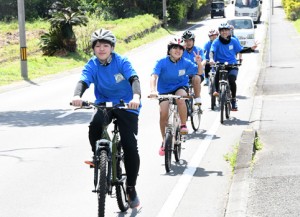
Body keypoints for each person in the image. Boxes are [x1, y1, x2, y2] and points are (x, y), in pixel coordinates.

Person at [71, 28, 141, 208]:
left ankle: (131, 187)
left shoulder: (121, 61)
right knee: (94, 124)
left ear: (112, 47)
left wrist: (135, 97)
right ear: (93, 48)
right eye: (97, 46)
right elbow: (83, 80)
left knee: (129, 145)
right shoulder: (92, 64)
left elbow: (133, 78)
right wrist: (77, 96)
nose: (101, 49)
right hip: (103, 103)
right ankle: (99, 158)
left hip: (126, 104)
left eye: (105, 45)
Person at [149, 36, 203, 156]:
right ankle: (164, 141)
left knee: (181, 98)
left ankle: (183, 125)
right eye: (174, 48)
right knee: (163, 113)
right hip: (164, 91)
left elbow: (199, 72)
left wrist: (199, 62)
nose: (177, 51)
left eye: (180, 48)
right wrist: (153, 90)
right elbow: (154, 76)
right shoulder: (161, 62)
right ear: (169, 50)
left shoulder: (186, 62)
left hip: (179, 88)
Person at [209, 23, 243, 111]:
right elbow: (212, 51)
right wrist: (212, 59)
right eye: (222, 30)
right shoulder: (216, 41)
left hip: (232, 65)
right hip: (221, 63)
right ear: (220, 32)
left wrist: (250, 49)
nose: (224, 32)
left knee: (232, 79)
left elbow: (240, 50)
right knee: (218, 72)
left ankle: (233, 100)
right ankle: (217, 91)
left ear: (229, 31)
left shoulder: (233, 40)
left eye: (226, 30)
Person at [182, 30, 206, 102]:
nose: (188, 43)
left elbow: (204, 60)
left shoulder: (198, 50)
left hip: (196, 73)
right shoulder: (181, 50)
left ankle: (197, 99)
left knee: (196, 78)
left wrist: (200, 65)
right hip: (184, 74)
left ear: (193, 41)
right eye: (186, 41)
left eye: (190, 40)